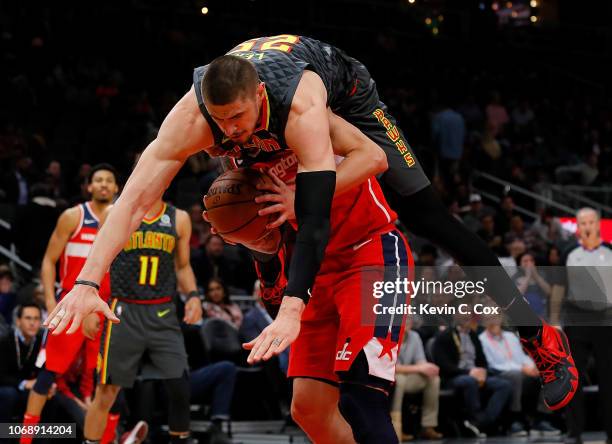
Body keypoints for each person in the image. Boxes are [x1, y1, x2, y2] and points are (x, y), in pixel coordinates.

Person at [46, 35, 574, 440]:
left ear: (257, 97)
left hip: (346, 92)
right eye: (220, 122)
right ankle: (272, 271)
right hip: (293, 175)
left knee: (432, 218)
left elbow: (323, 210)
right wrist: (88, 279)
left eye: (237, 118)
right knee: (251, 201)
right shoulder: (193, 118)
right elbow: (132, 202)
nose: (229, 132)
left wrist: (293, 303)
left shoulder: (301, 106)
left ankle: (538, 338)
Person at [82, 198, 205, 444]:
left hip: (162, 311)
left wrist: (193, 296)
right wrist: (89, 306)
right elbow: (97, 261)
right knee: (106, 393)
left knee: (179, 384)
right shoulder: (115, 213)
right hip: (123, 311)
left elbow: (182, 266)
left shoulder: (178, 218)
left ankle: (179, 439)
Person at [20, 164, 119, 444]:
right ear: (89, 186)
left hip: (106, 308)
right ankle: (24, 439)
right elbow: (49, 260)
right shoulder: (72, 216)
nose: (102, 185)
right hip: (72, 304)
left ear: (116, 189)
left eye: (108, 181)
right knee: (48, 374)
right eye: (97, 180)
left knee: (107, 381)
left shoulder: (123, 222)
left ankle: (105, 438)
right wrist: (52, 302)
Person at [556, 208, 612, 444]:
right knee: (574, 377)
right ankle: (574, 431)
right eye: (583, 223)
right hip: (577, 318)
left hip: (607, 319)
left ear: (598, 224)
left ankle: (611, 431)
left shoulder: (610, 252)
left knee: (609, 377)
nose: (587, 226)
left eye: (591, 222)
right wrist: (553, 320)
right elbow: (559, 287)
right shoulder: (569, 253)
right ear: (577, 226)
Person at [433, 306, 512, 437]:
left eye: (468, 313)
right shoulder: (444, 336)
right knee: (469, 381)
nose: (466, 316)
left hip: (476, 375)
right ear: (455, 315)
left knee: (504, 385)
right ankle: (477, 419)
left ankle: (481, 423)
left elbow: (482, 361)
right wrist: (469, 372)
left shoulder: (473, 335)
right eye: (463, 312)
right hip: (454, 377)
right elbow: (444, 365)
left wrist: (483, 372)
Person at [479, 315, 560, 437]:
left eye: (496, 317)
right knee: (516, 376)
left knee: (547, 372)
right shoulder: (482, 339)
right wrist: (521, 369)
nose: (493, 320)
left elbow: (522, 357)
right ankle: (514, 420)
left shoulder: (510, 336)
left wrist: (534, 367)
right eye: (490, 317)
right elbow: (491, 364)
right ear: (484, 321)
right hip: (499, 373)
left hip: (520, 371)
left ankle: (541, 419)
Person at [391, 319, 443, 441]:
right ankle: (396, 427)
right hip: (392, 376)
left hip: (409, 375)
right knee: (399, 379)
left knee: (433, 379)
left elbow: (420, 360)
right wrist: (419, 367)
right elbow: (391, 367)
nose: (408, 320)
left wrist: (427, 367)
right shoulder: (388, 335)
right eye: (405, 317)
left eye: (410, 318)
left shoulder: (414, 336)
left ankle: (428, 426)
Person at [0, 304, 43, 423]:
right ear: (18, 321)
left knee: (45, 395)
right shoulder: (4, 341)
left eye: (36, 319)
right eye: (28, 318)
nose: (32, 323)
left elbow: (42, 369)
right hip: (6, 384)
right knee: (10, 395)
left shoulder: (40, 342)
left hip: (29, 385)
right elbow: (1, 375)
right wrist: (23, 383)